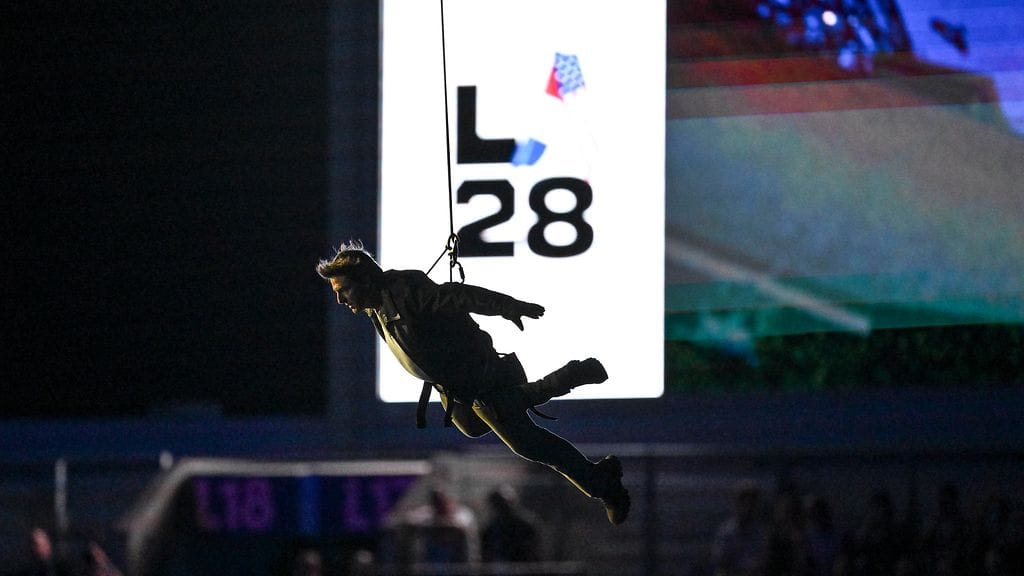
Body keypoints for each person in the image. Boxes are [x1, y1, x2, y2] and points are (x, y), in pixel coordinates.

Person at [316, 241, 630, 524]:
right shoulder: (375, 306)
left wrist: (507, 306)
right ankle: (601, 475)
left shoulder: (406, 293)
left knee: (522, 438)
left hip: (481, 378)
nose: (341, 300)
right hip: (456, 390)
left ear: (366, 280)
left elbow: (457, 295)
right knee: (483, 427)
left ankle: (568, 380)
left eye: (343, 291)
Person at [711, 479, 769, 576]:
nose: (748, 508)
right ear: (738, 504)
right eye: (745, 503)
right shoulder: (727, 532)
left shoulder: (761, 532)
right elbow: (721, 561)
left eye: (752, 504)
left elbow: (763, 560)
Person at [481, 485, 541, 563]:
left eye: (504, 503)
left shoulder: (526, 525)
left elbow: (534, 551)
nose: (502, 507)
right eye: (498, 504)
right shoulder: (490, 529)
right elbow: (487, 553)